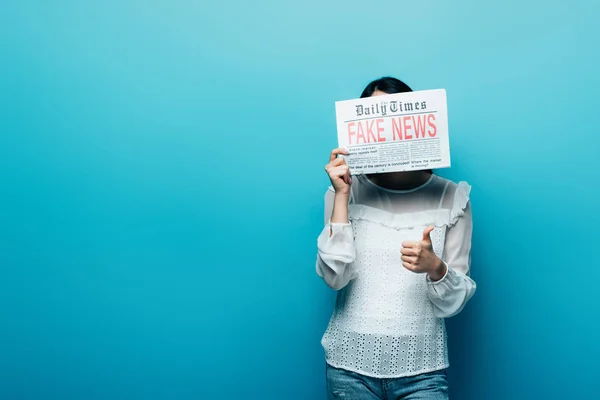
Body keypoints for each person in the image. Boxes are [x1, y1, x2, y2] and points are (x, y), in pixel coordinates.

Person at [316, 77, 477, 400]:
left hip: (423, 372)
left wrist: (436, 268)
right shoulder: (343, 193)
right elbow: (335, 278)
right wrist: (342, 195)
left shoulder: (452, 198)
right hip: (348, 367)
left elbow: (455, 301)